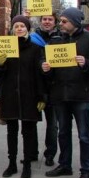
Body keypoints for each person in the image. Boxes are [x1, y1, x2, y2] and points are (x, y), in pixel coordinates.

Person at [43, 7, 89, 178]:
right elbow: (48, 68)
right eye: (60, 21)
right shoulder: (55, 42)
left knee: (84, 135)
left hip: (81, 95)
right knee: (63, 132)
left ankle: (86, 171)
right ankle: (64, 165)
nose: (60, 24)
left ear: (75, 22)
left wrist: (86, 63)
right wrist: (45, 68)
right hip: (60, 95)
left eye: (64, 21)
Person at [0, 15, 46, 178]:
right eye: (16, 26)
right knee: (11, 132)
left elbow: (40, 75)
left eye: (22, 26)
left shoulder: (36, 49)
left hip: (29, 96)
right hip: (10, 96)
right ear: (12, 29)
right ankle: (12, 164)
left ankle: (27, 165)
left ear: (27, 29)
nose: (19, 29)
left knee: (28, 132)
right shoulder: (5, 48)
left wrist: (42, 97)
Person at [28, 12, 62, 166]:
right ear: (40, 21)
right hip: (35, 87)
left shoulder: (62, 39)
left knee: (52, 124)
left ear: (55, 22)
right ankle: (32, 152)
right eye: (44, 19)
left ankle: (50, 154)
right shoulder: (33, 39)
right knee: (31, 121)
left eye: (50, 19)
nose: (47, 22)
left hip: (54, 88)